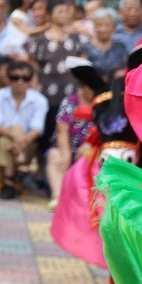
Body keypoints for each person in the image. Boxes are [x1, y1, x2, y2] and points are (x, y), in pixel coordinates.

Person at [22, 0, 89, 149]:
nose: (64, 15)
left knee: (68, 132)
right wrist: (34, 92)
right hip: (45, 93)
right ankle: (41, 169)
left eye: (66, 12)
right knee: (44, 133)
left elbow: (83, 66)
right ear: (50, 14)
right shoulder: (39, 41)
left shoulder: (76, 39)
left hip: (71, 92)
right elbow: (33, 69)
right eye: (59, 11)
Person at [0, 59, 48, 199]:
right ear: (8, 79)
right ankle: (19, 168)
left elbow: (37, 129)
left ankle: (8, 180)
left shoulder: (40, 100)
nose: (20, 81)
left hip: (27, 145)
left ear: (30, 80)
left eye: (25, 78)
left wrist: (20, 141)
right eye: (15, 77)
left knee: (10, 136)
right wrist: (16, 137)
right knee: (9, 134)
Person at [47, 77, 96, 212]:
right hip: (69, 147)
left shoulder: (103, 103)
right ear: (83, 87)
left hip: (92, 150)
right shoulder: (70, 101)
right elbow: (62, 130)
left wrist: (90, 145)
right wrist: (66, 153)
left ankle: (84, 201)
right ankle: (57, 198)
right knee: (54, 155)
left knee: (90, 157)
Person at [86, 7, 128, 80]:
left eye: (107, 25)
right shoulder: (86, 48)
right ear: (94, 26)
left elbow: (126, 69)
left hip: (117, 88)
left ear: (114, 27)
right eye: (99, 25)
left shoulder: (120, 46)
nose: (103, 29)